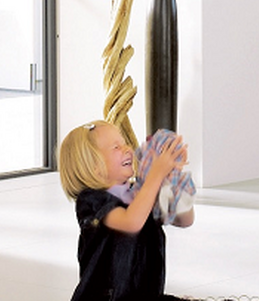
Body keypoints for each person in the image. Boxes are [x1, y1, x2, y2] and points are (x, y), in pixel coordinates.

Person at [58, 120, 194, 301]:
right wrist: (156, 174)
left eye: (124, 143)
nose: (127, 149)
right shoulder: (92, 200)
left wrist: (170, 178)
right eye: (116, 147)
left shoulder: (140, 192)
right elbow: (131, 222)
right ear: (94, 166)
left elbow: (185, 220)